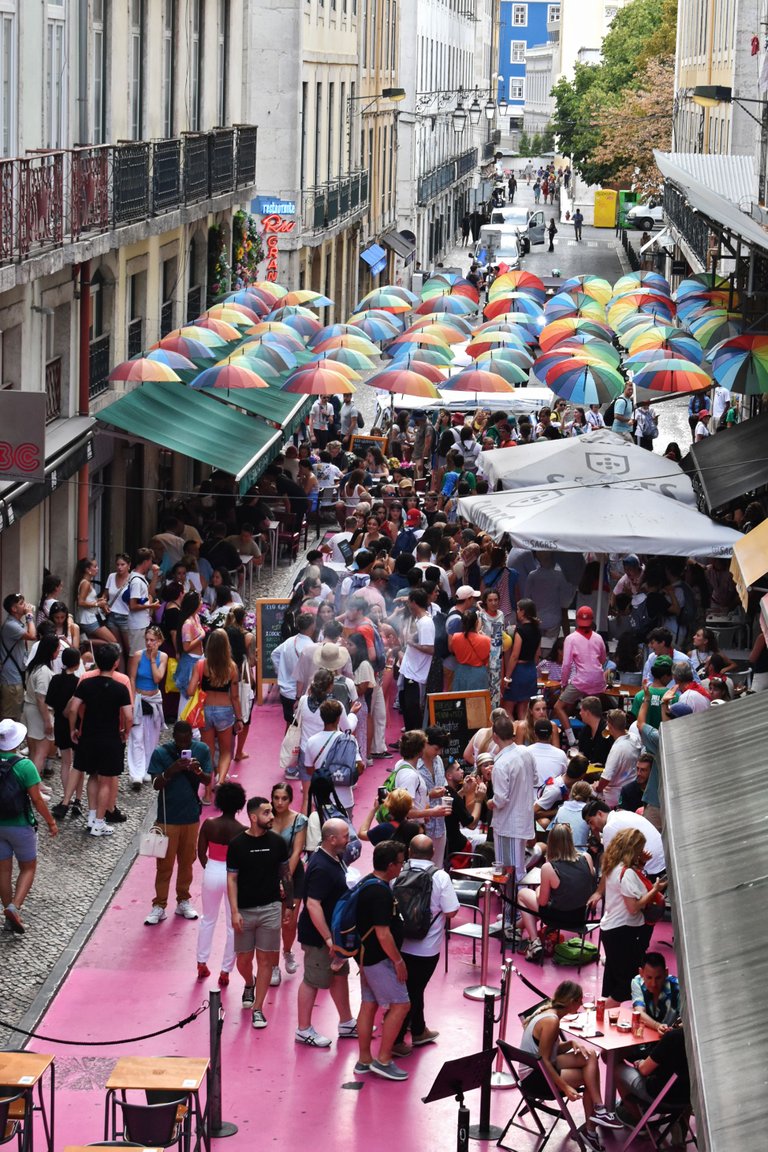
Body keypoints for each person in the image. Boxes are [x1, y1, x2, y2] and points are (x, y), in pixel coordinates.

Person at [518, 980, 623, 1150]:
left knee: (589, 1056)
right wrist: (565, 1087)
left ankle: (599, 1109)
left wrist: (571, 1043)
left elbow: (549, 1049)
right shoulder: (552, 1022)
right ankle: (592, 1129)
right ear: (571, 1001)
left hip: (536, 1066)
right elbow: (543, 1060)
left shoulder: (548, 1012)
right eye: (579, 1001)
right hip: (535, 1077)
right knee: (590, 1079)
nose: (581, 1005)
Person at [227, 795, 293, 1029]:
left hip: (270, 909)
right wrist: (234, 911)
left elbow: (285, 875)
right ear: (253, 817)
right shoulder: (236, 845)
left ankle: (258, 1008)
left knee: (266, 960)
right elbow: (232, 879)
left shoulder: (277, 842)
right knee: (243, 960)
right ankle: (249, 982)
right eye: (267, 812)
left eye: (271, 812)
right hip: (244, 910)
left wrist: (289, 905)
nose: (272, 816)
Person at [391, 834, 459, 1055]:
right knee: (411, 992)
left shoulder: (398, 873)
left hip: (399, 944)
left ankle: (419, 1030)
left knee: (412, 989)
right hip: (426, 948)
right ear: (432, 854)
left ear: (410, 852)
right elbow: (451, 911)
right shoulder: (440, 877)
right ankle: (397, 1040)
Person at [296, 817, 359, 1048]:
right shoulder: (321, 866)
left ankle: (346, 1022)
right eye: (345, 836)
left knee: (340, 975)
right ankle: (303, 1029)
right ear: (332, 839)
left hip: (335, 934)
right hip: (320, 937)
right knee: (313, 980)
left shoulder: (335, 857)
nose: (349, 839)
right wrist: (328, 939)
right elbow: (313, 904)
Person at [144, 720, 211, 925]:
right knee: (164, 865)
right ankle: (159, 905)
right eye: (180, 741)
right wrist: (171, 770)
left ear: (192, 736)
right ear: (174, 737)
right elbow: (156, 784)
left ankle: (184, 900)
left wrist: (197, 771)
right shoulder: (161, 754)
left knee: (187, 862)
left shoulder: (202, 750)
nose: (184, 745)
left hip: (191, 818)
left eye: (187, 741)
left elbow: (208, 781)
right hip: (167, 819)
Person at [354, 839, 411, 1080]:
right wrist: (398, 961)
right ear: (390, 865)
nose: (402, 866)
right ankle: (384, 1059)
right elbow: (383, 932)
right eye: (400, 862)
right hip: (379, 960)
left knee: (369, 1005)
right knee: (401, 1004)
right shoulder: (380, 892)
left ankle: (364, 1059)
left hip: (365, 956)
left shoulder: (368, 882)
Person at [68, 643, 133, 838]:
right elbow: (129, 716)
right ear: (116, 663)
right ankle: (99, 822)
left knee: (92, 776)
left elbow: (73, 708)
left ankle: (90, 817)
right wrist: (125, 731)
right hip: (110, 738)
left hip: (88, 736)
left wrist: (74, 728)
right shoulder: (120, 687)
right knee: (107, 781)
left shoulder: (86, 684)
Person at [0, 718, 57, 933]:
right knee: (28, 867)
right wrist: (50, 822)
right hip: (21, 825)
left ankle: (7, 912)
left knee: (3, 871)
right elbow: (37, 799)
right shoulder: (24, 766)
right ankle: (14, 908)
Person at [597, 828, 665, 1006]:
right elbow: (633, 907)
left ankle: (603, 1018)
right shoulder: (626, 873)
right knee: (625, 985)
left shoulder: (613, 867)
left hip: (612, 929)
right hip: (624, 932)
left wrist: (641, 864)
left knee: (615, 982)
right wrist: (655, 891)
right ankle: (599, 1015)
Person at [516, 824, 596, 962]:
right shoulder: (587, 858)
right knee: (531, 909)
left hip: (557, 917)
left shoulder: (549, 867)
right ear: (571, 840)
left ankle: (534, 941)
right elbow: (590, 880)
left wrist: (539, 889)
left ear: (550, 842)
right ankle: (515, 928)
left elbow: (542, 902)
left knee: (522, 895)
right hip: (580, 915)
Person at [490, 712, 536, 936]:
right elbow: (534, 780)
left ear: (495, 736)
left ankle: (513, 917)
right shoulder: (526, 753)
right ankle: (513, 913)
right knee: (518, 870)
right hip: (523, 820)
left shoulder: (501, 764)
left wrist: (487, 802)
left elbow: (500, 799)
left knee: (508, 873)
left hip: (508, 824)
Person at [196, 781, 247, 985]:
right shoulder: (242, 830)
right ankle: (226, 970)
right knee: (232, 924)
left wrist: (210, 867)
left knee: (208, 919)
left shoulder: (209, 824)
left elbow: (200, 853)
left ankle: (201, 962)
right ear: (239, 804)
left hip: (212, 871)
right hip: (233, 876)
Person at [186, 629, 244, 799]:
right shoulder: (232, 667)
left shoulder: (201, 665)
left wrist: (199, 686)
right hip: (225, 711)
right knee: (226, 751)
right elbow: (234, 697)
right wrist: (239, 718)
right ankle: (220, 782)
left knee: (208, 751)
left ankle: (207, 795)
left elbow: (190, 691)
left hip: (206, 710)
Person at [270, 782, 308, 986]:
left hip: (294, 875)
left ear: (290, 800)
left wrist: (286, 880)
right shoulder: (266, 818)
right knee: (274, 922)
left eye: (284, 798)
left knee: (290, 921)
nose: (279, 802)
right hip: (269, 875)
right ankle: (274, 966)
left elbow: (297, 852)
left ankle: (287, 951)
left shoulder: (299, 820)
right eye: (276, 798)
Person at [615, 1026, 691, 1128]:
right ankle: (681, 1129)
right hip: (688, 1099)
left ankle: (636, 1119)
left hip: (658, 1095)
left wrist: (641, 1063)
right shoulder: (707, 1042)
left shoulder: (674, 1036)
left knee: (614, 1066)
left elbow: (644, 1070)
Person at [554, 607, 607, 747]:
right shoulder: (598, 637)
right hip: (597, 679)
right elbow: (603, 659)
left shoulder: (570, 638)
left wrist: (564, 683)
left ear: (577, 620)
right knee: (593, 712)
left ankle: (571, 738)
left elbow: (566, 665)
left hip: (581, 679)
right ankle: (595, 739)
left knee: (558, 706)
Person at [126, 625, 168, 791]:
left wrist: (152, 659)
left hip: (154, 699)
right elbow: (132, 678)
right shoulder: (137, 656)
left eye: (153, 640)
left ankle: (146, 769)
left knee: (151, 737)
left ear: (159, 641)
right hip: (139, 698)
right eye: (147, 640)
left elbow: (158, 678)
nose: (149, 643)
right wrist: (131, 700)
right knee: (136, 736)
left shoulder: (163, 657)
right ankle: (136, 773)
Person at [583, 799, 666, 879]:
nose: (592, 828)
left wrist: (598, 892)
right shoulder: (623, 814)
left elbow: (609, 866)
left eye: (591, 822)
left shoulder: (610, 826)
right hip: (662, 861)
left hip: (653, 869)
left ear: (600, 814)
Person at [397, 588, 435, 732]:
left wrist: (411, 643)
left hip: (416, 673)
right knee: (405, 705)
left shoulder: (425, 622)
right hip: (409, 670)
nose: (407, 605)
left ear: (413, 603)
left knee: (412, 707)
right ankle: (409, 735)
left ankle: (417, 738)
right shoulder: (420, 619)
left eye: (409, 602)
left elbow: (430, 648)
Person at [21, 635, 58, 776]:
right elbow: (41, 698)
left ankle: (36, 785)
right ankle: (34, 787)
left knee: (34, 752)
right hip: (38, 712)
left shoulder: (33, 667)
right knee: (41, 753)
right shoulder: (43, 671)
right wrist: (47, 721)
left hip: (30, 709)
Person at [503, 598, 542, 719]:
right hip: (530, 670)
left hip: (518, 671)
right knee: (524, 710)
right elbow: (537, 655)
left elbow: (514, 656)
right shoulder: (537, 630)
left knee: (508, 708)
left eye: (518, 610)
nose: (517, 613)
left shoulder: (520, 630)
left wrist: (507, 677)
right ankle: (523, 736)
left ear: (523, 612)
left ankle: (513, 736)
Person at [1, 593, 37, 721]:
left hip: (16, 674)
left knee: (15, 712)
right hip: (11, 678)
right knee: (10, 716)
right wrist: (29, 616)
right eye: (21, 604)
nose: (25, 606)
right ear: (14, 609)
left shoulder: (16, 623)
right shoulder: (11, 625)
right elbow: (32, 635)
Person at [125, 549, 161, 672]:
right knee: (134, 654)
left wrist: (155, 575)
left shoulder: (140, 577)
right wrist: (151, 607)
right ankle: (131, 681)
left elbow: (150, 592)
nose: (151, 564)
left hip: (141, 622)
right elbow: (133, 605)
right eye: (150, 561)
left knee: (138, 653)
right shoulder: (136, 581)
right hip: (136, 624)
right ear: (146, 562)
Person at [593, 710, 638, 808]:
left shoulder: (617, 749)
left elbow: (606, 778)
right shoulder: (635, 738)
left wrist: (597, 787)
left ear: (609, 725)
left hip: (615, 796)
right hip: (632, 788)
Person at [631, 951, 680, 1033]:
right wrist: (657, 1026)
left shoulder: (678, 986)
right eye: (649, 978)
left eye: (658, 978)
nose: (653, 984)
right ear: (641, 973)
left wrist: (674, 1029)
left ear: (666, 973)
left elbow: (688, 1020)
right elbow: (639, 1012)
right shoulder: (637, 982)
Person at [73, 557, 118, 647]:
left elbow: (87, 600)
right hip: (88, 619)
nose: (97, 569)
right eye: (95, 566)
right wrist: (98, 604)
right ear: (88, 570)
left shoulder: (86, 582)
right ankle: (83, 640)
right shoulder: (86, 583)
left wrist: (98, 601)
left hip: (91, 618)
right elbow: (81, 602)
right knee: (113, 642)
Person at [448, 608, 491, 692]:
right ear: (476, 623)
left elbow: (452, 650)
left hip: (461, 672)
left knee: (461, 702)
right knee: (478, 702)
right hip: (478, 674)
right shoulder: (486, 640)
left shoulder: (456, 637)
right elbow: (488, 660)